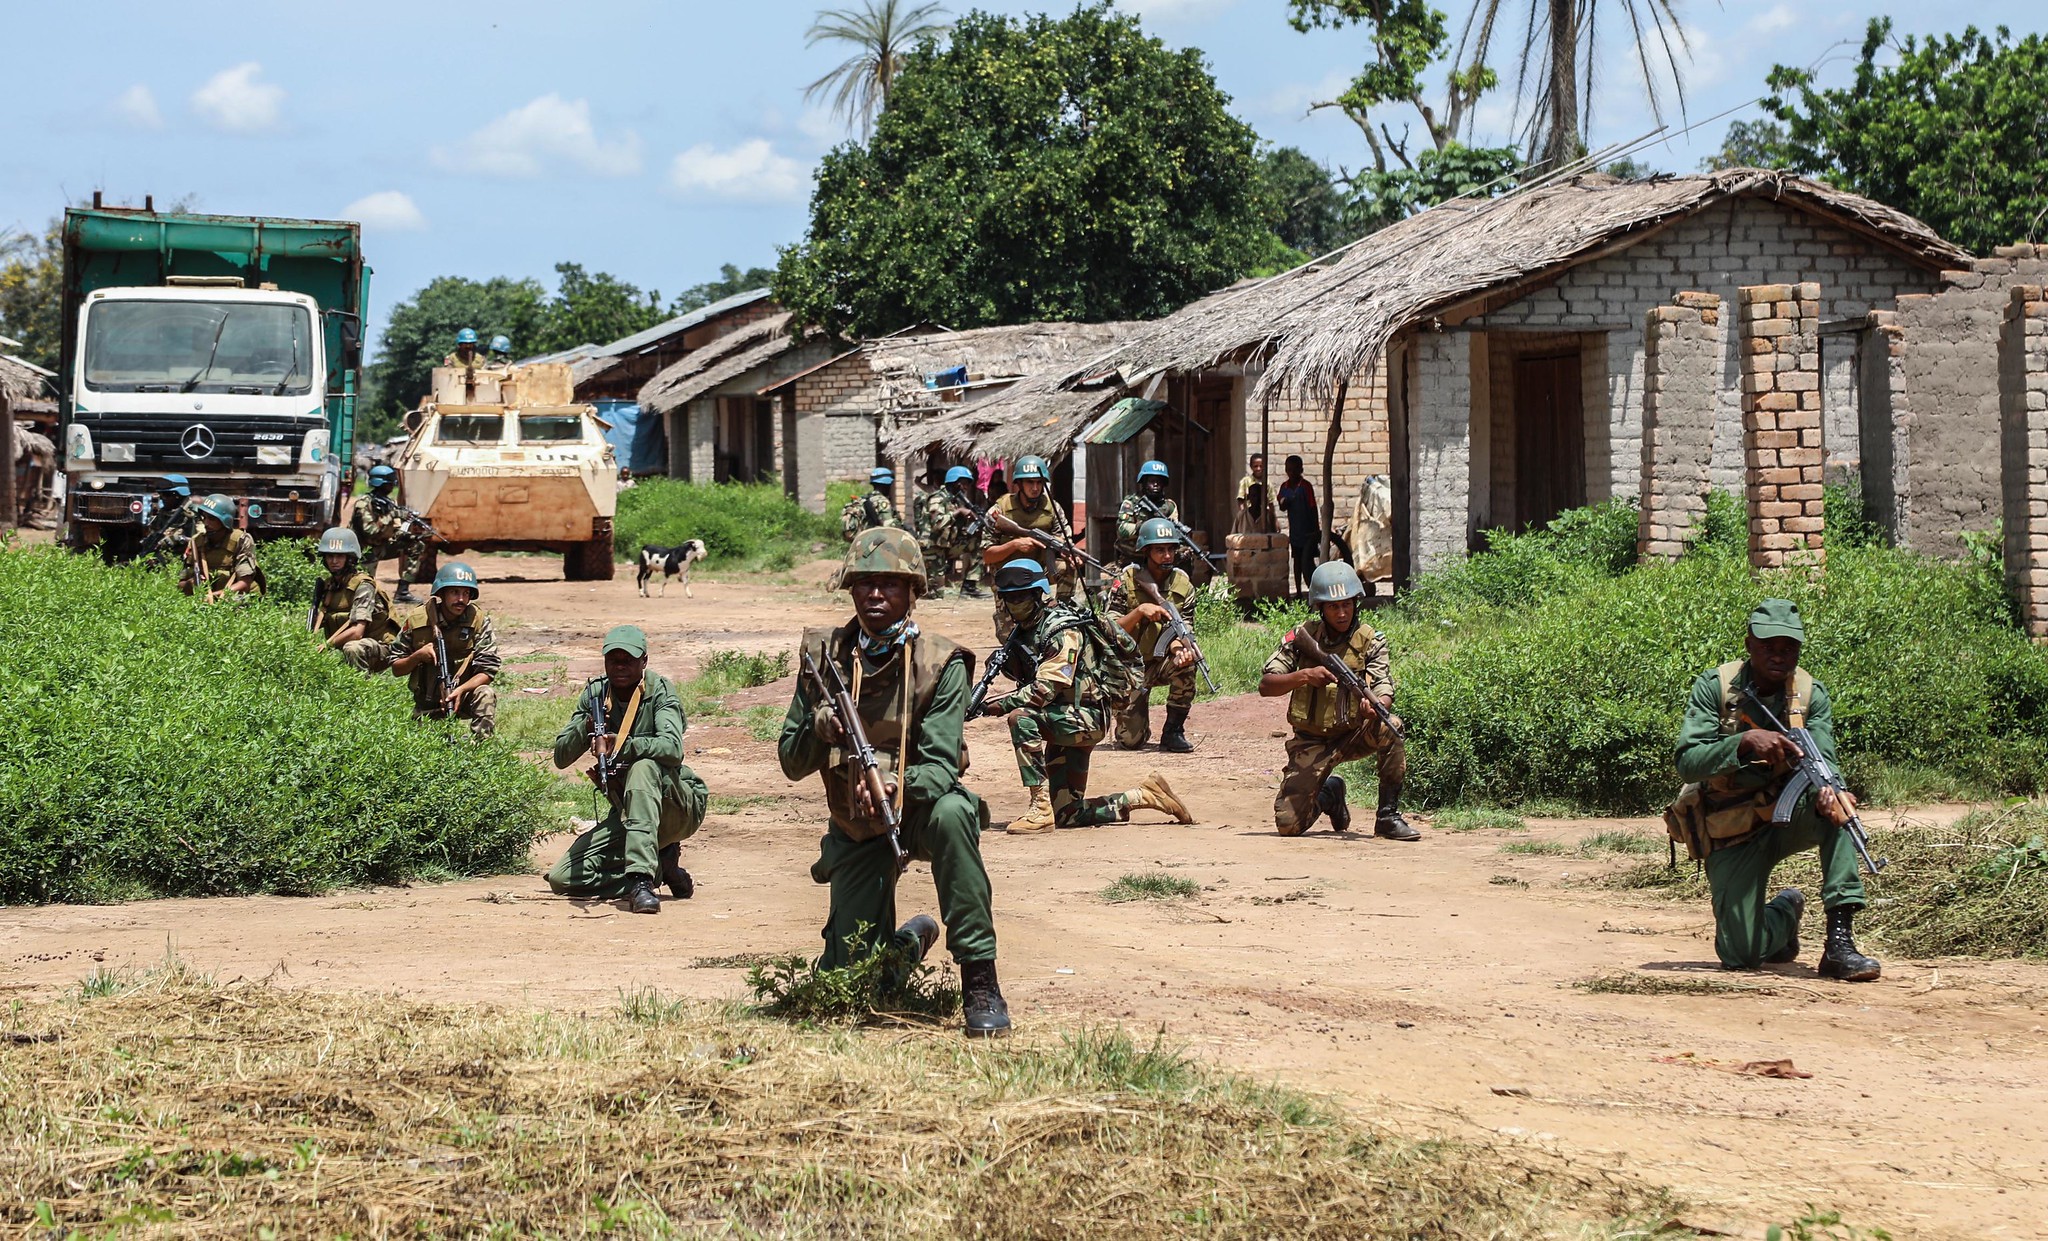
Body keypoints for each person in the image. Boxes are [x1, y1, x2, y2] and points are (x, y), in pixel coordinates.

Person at [778, 527, 1012, 1038]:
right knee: (852, 990)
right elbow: (790, 763)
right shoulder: (825, 658)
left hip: (921, 814)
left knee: (955, 813)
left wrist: (892, 784)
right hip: (856, 826)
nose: (875, 594)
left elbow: (940, 765)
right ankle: (911, 940)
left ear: (913, 591)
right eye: (864, 583)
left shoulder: (942, 663)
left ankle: (980, 978)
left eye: (889, 583)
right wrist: (819, 726)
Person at [1668, 599, 1881, 980]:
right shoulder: (1715, 687)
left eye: (1788, 649)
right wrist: (1744, 742)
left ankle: (1839, 944)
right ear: (1749, 643)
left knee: (1838, 813)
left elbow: (1825, 757)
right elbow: (1688, 760)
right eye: (1768, 646)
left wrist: (1835, 791)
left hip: (1787, 817)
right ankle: (1784, 913)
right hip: (1730, 825)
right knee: (1740, 955)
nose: (1779, 656)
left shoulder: (1810, 694)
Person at [980, 558, 1191, 835]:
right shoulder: (1028, 628)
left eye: (1020, 596)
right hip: (1064, 717)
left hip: (1085, 719)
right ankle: (1144, 796)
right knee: (1068, 814)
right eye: (1009, 598)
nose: (1014, 604)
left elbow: (1045, 689)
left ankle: (1039, 808)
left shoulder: (1061, 628)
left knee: (1020, 718)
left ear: (1037, 594)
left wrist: (997, 705)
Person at [547, 625, 710, 914]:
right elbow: (560, 757)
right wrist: (585, 727)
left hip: (675, 807)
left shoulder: (659, 691)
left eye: (629, 660)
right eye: (614, 659)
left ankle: (641, 882)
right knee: (564, 879)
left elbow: (673, 749)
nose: (620, 666)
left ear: (644, 661)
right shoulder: (596, 695)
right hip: (628, 812)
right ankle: (662, 867)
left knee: (643, 767)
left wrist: (625, 745)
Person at [1257, 561, 1418, 840]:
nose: (1342, 613)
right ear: (1320, 608)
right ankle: (1330, 794)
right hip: (1311, 739)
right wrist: (1305, 675)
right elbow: (1266, 686)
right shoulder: (1302, 637)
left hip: (1354, 733)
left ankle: (1388, 817)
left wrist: (1377, 704)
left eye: (1347, 605)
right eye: (1334, 607)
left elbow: (1383, 685)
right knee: (1288, 825)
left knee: (1391, 725)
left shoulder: (1370, 640)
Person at [1105, 518, 1199, 753]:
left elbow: (1184, 627)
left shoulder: (1183, 585)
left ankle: (1173, 731)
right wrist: (1139, 612)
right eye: (1160, 550)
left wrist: (1179, 650)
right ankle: (1135, 721)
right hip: (1128, 666)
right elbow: (1108, 629)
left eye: (1171, 549)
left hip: (1160, 663)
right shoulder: (1126, 581)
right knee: (1131, 742)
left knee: (1189, 663)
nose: (1167, 556)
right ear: (1146, 551)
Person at [387, 561, 500, 741]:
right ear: (441, 593)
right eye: (454, 592)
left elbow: (488, 670)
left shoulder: (477, 620)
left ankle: (482, 750)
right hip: (428, 701)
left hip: (463, 696)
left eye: (466, 593)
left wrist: (461, 690)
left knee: (485, 693)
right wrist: (418, 656)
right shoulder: (417, 620)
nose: (461, 599)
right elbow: (396, 668)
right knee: (428, 748)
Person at [979, 455, 1081, 637]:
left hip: (1039, 571)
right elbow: (987, 555)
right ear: (1019, 483)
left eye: (1039, 482)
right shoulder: (1000, 510)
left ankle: (1062, 612)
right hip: (1007, 575)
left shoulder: (1052, 508)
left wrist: (1067, 553)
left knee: (1068, 567)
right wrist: (1015, 545)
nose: (1035, 488)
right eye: (1029, 482)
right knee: (1010, 638)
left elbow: (1064, 539)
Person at [311, 527, 398, 672]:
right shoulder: (329, 586)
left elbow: (357, 632)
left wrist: (326, 646)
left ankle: (362, 691)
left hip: (379, 647)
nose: (334, 561)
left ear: (350, 558)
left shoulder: (363, 585)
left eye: (339, 556)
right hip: (343, 645)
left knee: (352, 648)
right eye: (329, 556)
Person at [350, 464, 428, 604]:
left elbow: (394, 531)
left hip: (382, 547)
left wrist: (410, 536)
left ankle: (402, 592)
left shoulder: (388, 503)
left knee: (416, 545)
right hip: (364, 551)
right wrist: (393, 514)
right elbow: (370, 532)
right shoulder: (363, 504)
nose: (393, 487)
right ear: (382, 484)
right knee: (365, 589)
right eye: (390, 484)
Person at [178, 494, 264, 600]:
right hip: (206, 600)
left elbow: (244, 583)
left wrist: (213, 596)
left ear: (225, 521)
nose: (206, 523)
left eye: (212, 519)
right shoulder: (197, 542)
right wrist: (190, 583)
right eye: (204, 517)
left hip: (236, 597)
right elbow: (180, 585)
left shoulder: (240, 540)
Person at [917, 465, 985, 597]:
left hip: (946, 546)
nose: (965, 488)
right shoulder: (938, 498)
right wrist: (959, 512)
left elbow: (955, 529)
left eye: (967, 484)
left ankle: (969, 586)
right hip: (932, 548)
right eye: (963, 483)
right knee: (937, 594)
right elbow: (937, 524)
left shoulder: (954, 500)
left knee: (978, 542)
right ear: (954, 482)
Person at [1113, 459, 1180, 566]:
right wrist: (1145, 527)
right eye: (1151, 481)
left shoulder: (1169, 506)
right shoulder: (1131, 503)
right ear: (1143, 482)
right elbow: (1121, 530)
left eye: (1159, 481)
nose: (1155, 484)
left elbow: (1175, 532)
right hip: (1133, 556)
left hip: (1161, 559)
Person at [1275, 454, 1321, 595]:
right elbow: (1282, 506)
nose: (1292, 473)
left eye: (1295, 469)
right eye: (1289, 470)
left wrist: (1316, 530)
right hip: (1295, 531)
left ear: (1301, 469)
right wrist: (1284, 502)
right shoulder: (1285, 487)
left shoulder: (1305, 486)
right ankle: (1299, 592)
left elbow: (1313, 508)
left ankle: (1313, 589)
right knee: (1297, 562)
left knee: (1308, 562)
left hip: (1308, 530)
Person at [137, 473, 198, 567]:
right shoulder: (162, 514)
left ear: (177, 495)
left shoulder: (192, 516)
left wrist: (178, 539)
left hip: (183, 563)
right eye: (161, 495)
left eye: (166, 495)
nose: (162, 499)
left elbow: (200, 541)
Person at [840, 467, 902, 541]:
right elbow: (890, 529)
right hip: (875, 544)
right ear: (886, 485)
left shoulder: (863, 499)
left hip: (862, 543)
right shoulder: (882, 501)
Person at [1234, 453, 1277, 535]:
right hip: (1249, 517)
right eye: (1255, 466)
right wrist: (1244, 516)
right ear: (1251, 467)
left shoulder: (1267, 483)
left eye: (1261, 466)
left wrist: (1274, 520)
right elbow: (1240, 500)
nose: (1258, 468)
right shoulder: (1245, 481)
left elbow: (1271, 503)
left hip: (1263, 517)